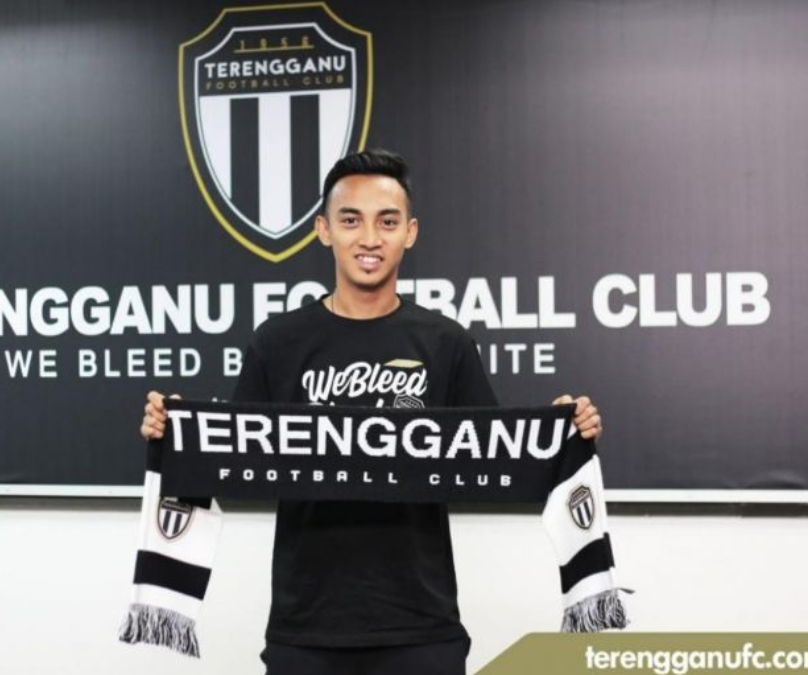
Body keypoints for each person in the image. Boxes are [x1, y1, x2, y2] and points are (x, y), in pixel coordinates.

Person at [140, 149, 603, 675]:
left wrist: (562, 430)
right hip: (304, 628)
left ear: (410, 232)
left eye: (387, 221)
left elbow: (500, 458)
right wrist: (177, 433)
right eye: (350, 220)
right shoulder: (278, 342)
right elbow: (229, 458)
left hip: (423, 627)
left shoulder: (445, 342)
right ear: (323, 230)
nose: (369, 238)